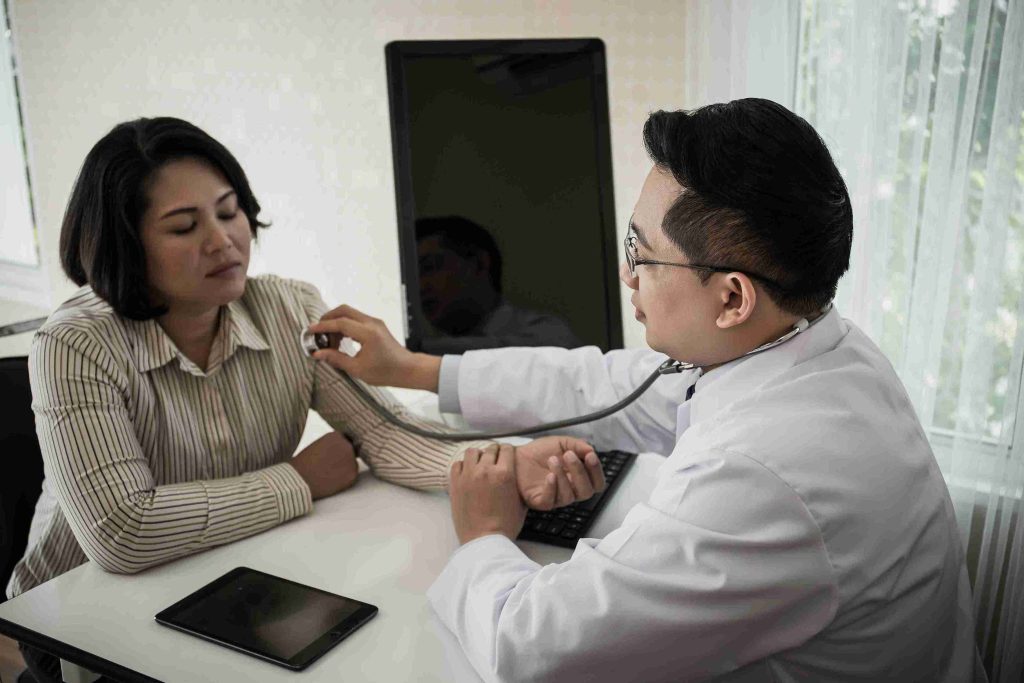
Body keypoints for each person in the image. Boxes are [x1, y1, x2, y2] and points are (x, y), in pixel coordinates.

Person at [309, 99, 979, 681]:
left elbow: (533, 651)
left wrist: (484, 536)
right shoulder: (818, 342)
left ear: (731, 297)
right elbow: (612, 383)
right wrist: (415, 368)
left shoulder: (760, 477)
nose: (628, 275)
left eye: (641, 252)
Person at [7, 117, 603, 683]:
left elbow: (386, 434)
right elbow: (122, 530)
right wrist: (298, 480)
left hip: (223, 576)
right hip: (77, 615)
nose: (224, 242)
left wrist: (503, 463)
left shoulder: (288, 306)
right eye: (185, 227)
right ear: (125, 245)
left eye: (229, 211)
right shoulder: (75, 343)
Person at [415, 215, 581, 353]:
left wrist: (415, 351)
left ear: (479, 264)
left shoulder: (547, 335)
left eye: (429, 268)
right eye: (413, 276)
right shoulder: (434, 346)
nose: (420, 287)